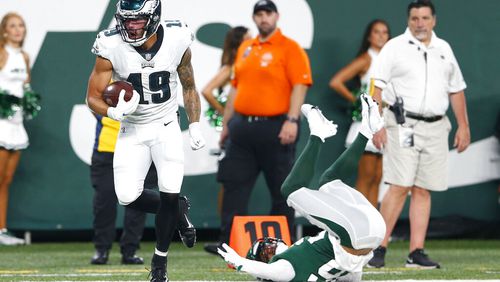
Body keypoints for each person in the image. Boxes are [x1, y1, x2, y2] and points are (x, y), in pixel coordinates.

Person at [86, 0, 205, 281]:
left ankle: (160, 263)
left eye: (138, 20)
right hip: (132, 128)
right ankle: (178, 208)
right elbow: (92, 97)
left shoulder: (177, 38)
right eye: (127, 21)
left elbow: (188, 85)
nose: (132, 26)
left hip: (166, 126)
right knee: (127, 196)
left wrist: (195, 124)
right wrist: (113, 111)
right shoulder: (110, 45)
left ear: (153, 17)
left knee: (168, 188)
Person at [217, 94, 386, 282]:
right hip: (354, 233)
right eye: (265, 253)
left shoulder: (316, 264)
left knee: (330, 181)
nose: (272, 249)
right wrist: (241, 262)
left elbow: (352, 276)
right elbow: (272, 272)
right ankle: (318, 134)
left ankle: (365, 131)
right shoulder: (284, 269)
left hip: (371, 235)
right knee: (290, 189)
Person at [369, 0, 470, 269]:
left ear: (434, 20)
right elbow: (376, 87)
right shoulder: (394, 47)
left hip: (436, 126)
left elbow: (456, 89)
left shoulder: (444, 49)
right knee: (399, 186)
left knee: (423, 189)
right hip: (403, 124)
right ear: (408, 20)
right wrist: (377, 124)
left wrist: (464, 125)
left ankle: (416, 251)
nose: (420, 23)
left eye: (425, 18)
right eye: (415, 18)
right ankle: (379, 247)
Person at [206, 0, 313, 254]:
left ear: (277, 16)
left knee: (282, 189)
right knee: (233, 186)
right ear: (254, 19)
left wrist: (292, 119)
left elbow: (300, 84)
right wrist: (226, 125)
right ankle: (227, 242)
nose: (263, 19)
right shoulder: (245, 47)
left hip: (276, 128)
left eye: (268, 14)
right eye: (259, 15)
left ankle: (281, 246)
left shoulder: (290, 48)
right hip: (242, 127)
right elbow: (235, 88)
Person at [89, 114, 196, 265]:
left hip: (142, 143)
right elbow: (93, 100)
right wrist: (113, 112)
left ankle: (130, 250)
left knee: (138, 200)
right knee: (104, 201)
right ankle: (101, 249)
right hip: (108, 144)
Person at [329, 19, 390, 207]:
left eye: (385, 32)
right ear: (369, 36)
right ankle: (361, 226)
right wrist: (357, 100)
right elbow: (336, 81)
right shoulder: (366, 59)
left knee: (378, 177)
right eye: (377, 32)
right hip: (367, 123)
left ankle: (373, 227)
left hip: (385, 121)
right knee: (366, 175)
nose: (381, 36)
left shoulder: (389, 58)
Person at [0, 12, 31, 246]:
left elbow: (25, 88)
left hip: (17, 124)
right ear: (4, 30)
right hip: (0, 123)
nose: (18, 29)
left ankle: (2, 230)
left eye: (21, 25)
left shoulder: (24, 56)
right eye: (13, 25)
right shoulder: (1, 54)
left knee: (6, 180)